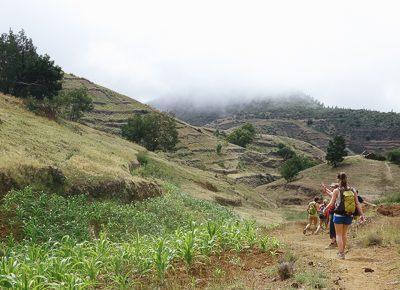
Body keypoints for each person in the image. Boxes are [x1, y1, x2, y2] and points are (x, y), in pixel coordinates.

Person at [324, 172, 365, 259]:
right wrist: (362, 215)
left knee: (338, 235)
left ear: (338, 180)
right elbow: (357, 204)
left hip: (338, 215)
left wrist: (325, 209)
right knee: (344, 234)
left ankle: (341, 253)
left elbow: (331, 203)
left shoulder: (336, 190)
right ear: (346, 179)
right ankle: (342, 252)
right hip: (349, 215)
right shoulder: (353, 190)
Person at [322, 183, 338, 248]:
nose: (331, 188)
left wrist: (325, 188)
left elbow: (327, 192)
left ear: (335, 187)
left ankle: (333, 243)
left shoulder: (334, 193)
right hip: (338, 212)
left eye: (331, 187)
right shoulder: (339, 193)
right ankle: (336, 242)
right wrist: (325, 188)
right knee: (336, 228)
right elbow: (329, 192)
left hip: (334, 212)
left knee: (332, 227)